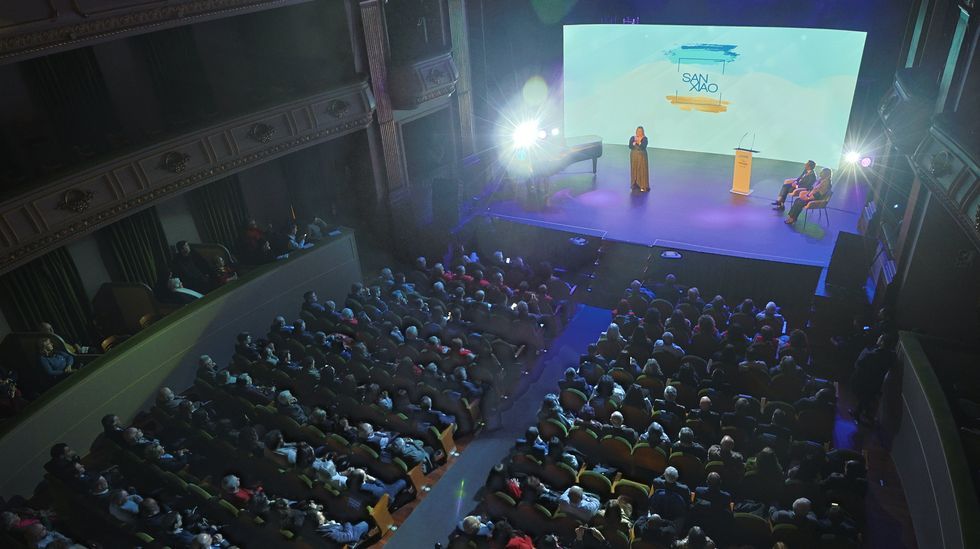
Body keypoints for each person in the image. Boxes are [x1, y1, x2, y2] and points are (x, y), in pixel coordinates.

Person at [629, 126, 650, 192]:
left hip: (641, 157)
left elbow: (643, 147)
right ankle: (635, 184)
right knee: (634, 169)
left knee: (641, 169)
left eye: (640, 131)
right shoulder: (632, 138)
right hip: (634, 156)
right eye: (638, 131)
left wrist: (639, 142)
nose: (639, 132)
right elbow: (630, 146)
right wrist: (634, 143)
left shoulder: (645, 139)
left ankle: (643, 185)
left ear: (642, 132)